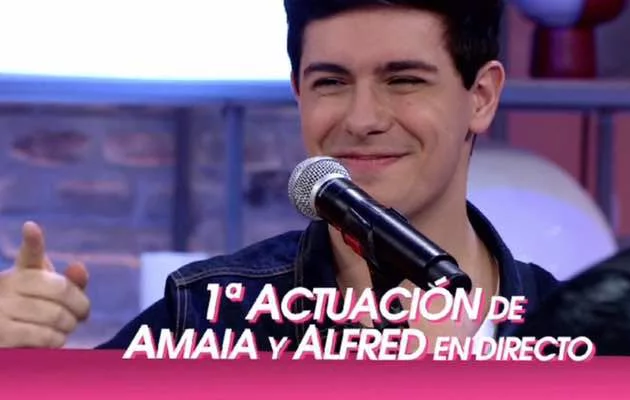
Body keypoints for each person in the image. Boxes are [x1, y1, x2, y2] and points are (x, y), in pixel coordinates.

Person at [0, 0, 559, 350]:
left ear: (481, 97)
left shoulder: (572, 332)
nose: (361, 119)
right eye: (331, 83)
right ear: (298, 94)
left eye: (404, 80)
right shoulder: (208, 317)